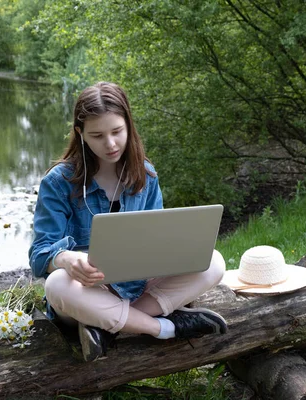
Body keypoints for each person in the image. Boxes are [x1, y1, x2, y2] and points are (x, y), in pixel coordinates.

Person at [28, 82, 227, 362]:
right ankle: (164, 328)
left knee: (213, 260)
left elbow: (158, 240)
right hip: (86, 293)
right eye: (97, 135)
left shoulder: (145, 173)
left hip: (137, 287)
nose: (110, 144)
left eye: (117, 132)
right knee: (57, 284)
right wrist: (65, 259)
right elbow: (39, 255)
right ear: (80, 134)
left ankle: (108, 326)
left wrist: (177, 250)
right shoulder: (58, 182)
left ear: (129, 126)